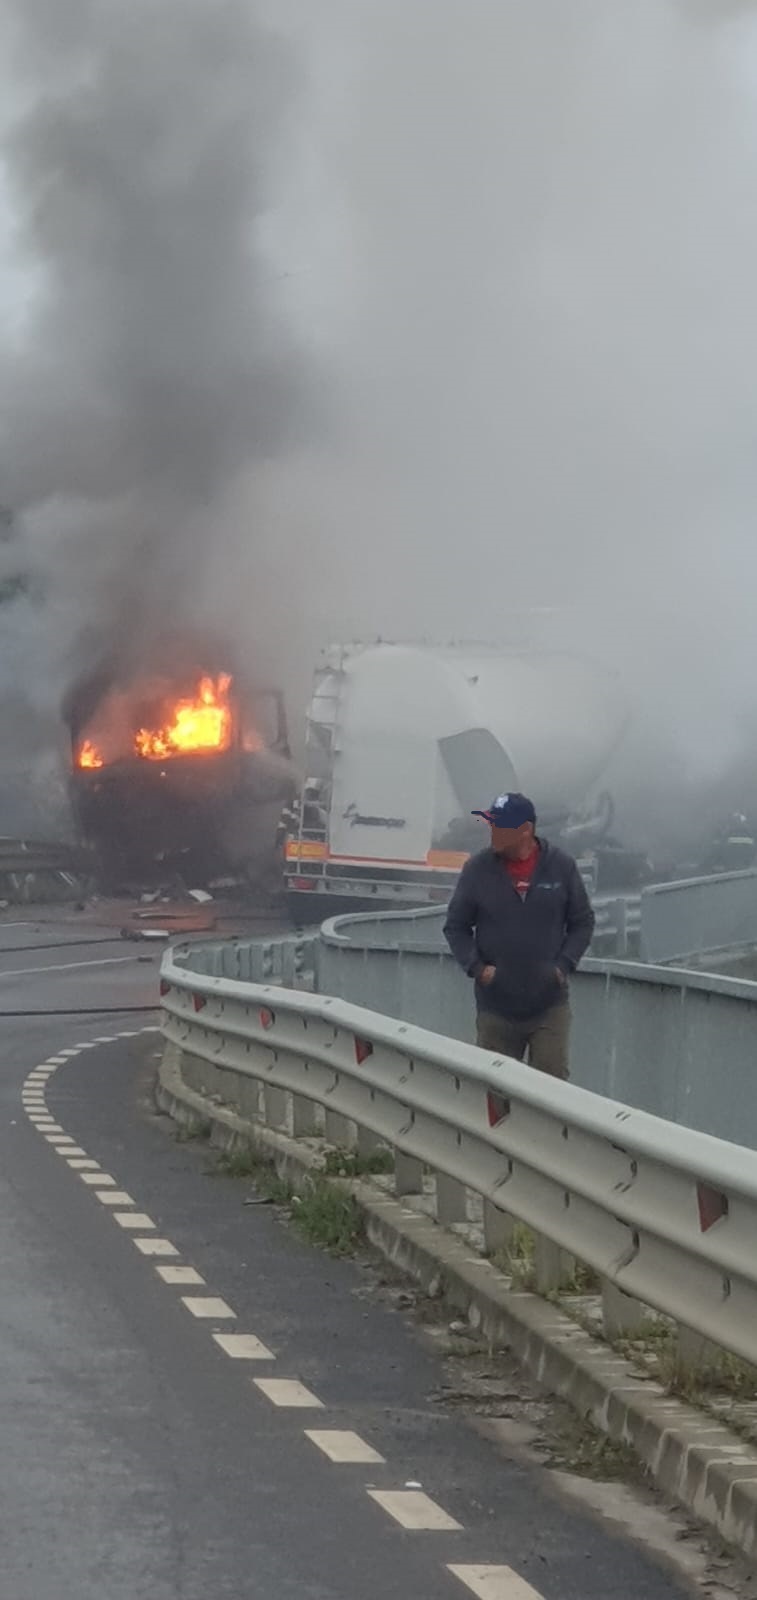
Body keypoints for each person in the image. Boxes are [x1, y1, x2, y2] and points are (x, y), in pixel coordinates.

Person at [443, 792, 594, 1080]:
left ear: (526, 830)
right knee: (496, 1090)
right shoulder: (478, 870)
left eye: (501, 826)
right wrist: (478, 968)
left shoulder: (560, 867)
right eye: (491, 824)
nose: (493, 832)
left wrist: (563, 966)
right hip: (496, 1008)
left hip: (549, 1005)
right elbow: (456, 926)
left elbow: (583, 922)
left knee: (551, 1090)